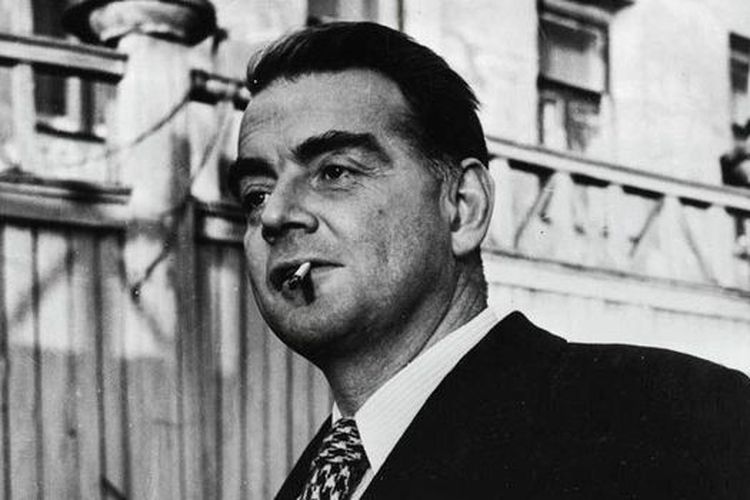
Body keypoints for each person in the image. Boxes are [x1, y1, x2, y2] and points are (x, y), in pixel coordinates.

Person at [229, 21, 750, 499]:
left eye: (335, 172)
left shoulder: (671, 420)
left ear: (463, 207)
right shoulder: (316, 478)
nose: (273, 215)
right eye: (255, 194)